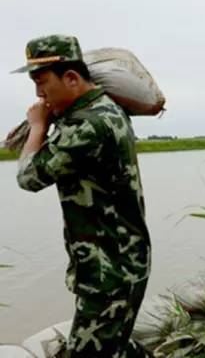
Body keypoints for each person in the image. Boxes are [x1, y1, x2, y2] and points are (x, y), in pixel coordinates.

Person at [13, 35, 151, 357]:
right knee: (114, 345)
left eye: (42, 82)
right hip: (115, 261)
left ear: (72, 78)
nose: (38, 94)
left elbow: (29, 177)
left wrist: (36, 127)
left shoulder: (88, 127)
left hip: (110, 271)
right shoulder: (106, 109)